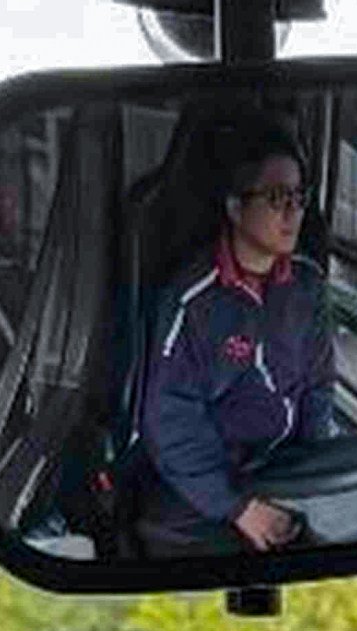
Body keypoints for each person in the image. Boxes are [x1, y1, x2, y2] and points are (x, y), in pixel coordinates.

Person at [136, 122, 340, 558]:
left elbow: (320, 384)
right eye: (276, 197)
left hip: (285, 471)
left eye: (298, 198)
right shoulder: (192, 300)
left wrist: (314, 469)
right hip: (211, 478)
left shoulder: (307, 284)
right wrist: (238, 506)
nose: (292, 213)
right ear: (234, 207)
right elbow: (169, 420)